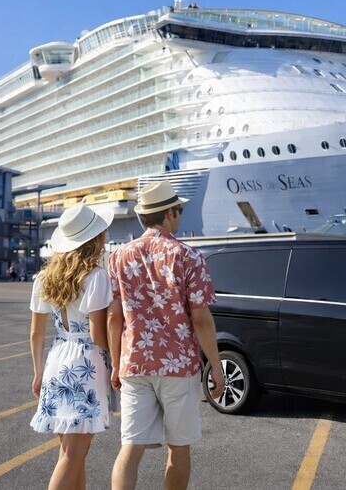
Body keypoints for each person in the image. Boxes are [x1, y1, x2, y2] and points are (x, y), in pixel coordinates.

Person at [107, 181, 225, 490]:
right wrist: (216, 366)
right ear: (169, 213)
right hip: (179, 366)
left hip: (134, 362)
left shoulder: (119, 256)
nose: (180, 215)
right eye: (179, 210)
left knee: (130, 447)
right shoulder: (188, 256)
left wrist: (115, 363)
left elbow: (114, 317)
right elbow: (201, 320)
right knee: (178, 447)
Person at [29, 204, 115, 490]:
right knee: (73, 455)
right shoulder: (96, 276)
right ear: (95, 239)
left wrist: (38, 373)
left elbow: (35, 332)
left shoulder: (45, 278)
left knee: (72, 455)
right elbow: (98, 332)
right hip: (86, 363)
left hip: (57, 359)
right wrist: (116, 361)